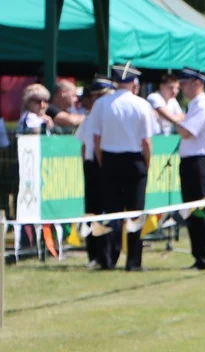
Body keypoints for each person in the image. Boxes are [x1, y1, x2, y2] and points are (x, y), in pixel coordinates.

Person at [85, 63, 155, 271]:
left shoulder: (102, 104)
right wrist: (146, 165)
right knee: (135, 213)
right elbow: (147, 142)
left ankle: (108, 259)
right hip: (134, 161)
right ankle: (133, 261)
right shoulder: (142, 105)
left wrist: (102, 161)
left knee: (110, 213)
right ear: (133, 82)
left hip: (110, 160)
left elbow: (96, 139)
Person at [176, 67, 205, 270]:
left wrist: (166, 114)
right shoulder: (194, 106)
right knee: (192, 211)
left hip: (199, 163)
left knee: (201, 211)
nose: (181, 87)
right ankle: (198, 256)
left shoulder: (202, 106)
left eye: (185, 83)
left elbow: (186, 132)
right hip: (191, 163)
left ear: (197, 83)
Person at [74, 75, 115, 269]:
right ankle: (94, 255)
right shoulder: (89, 118)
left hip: (105, 164)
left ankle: (105, 256)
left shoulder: (109, 117)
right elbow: (84, 146)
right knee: (92, 212)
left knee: (105, 212)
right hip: (92, 166)